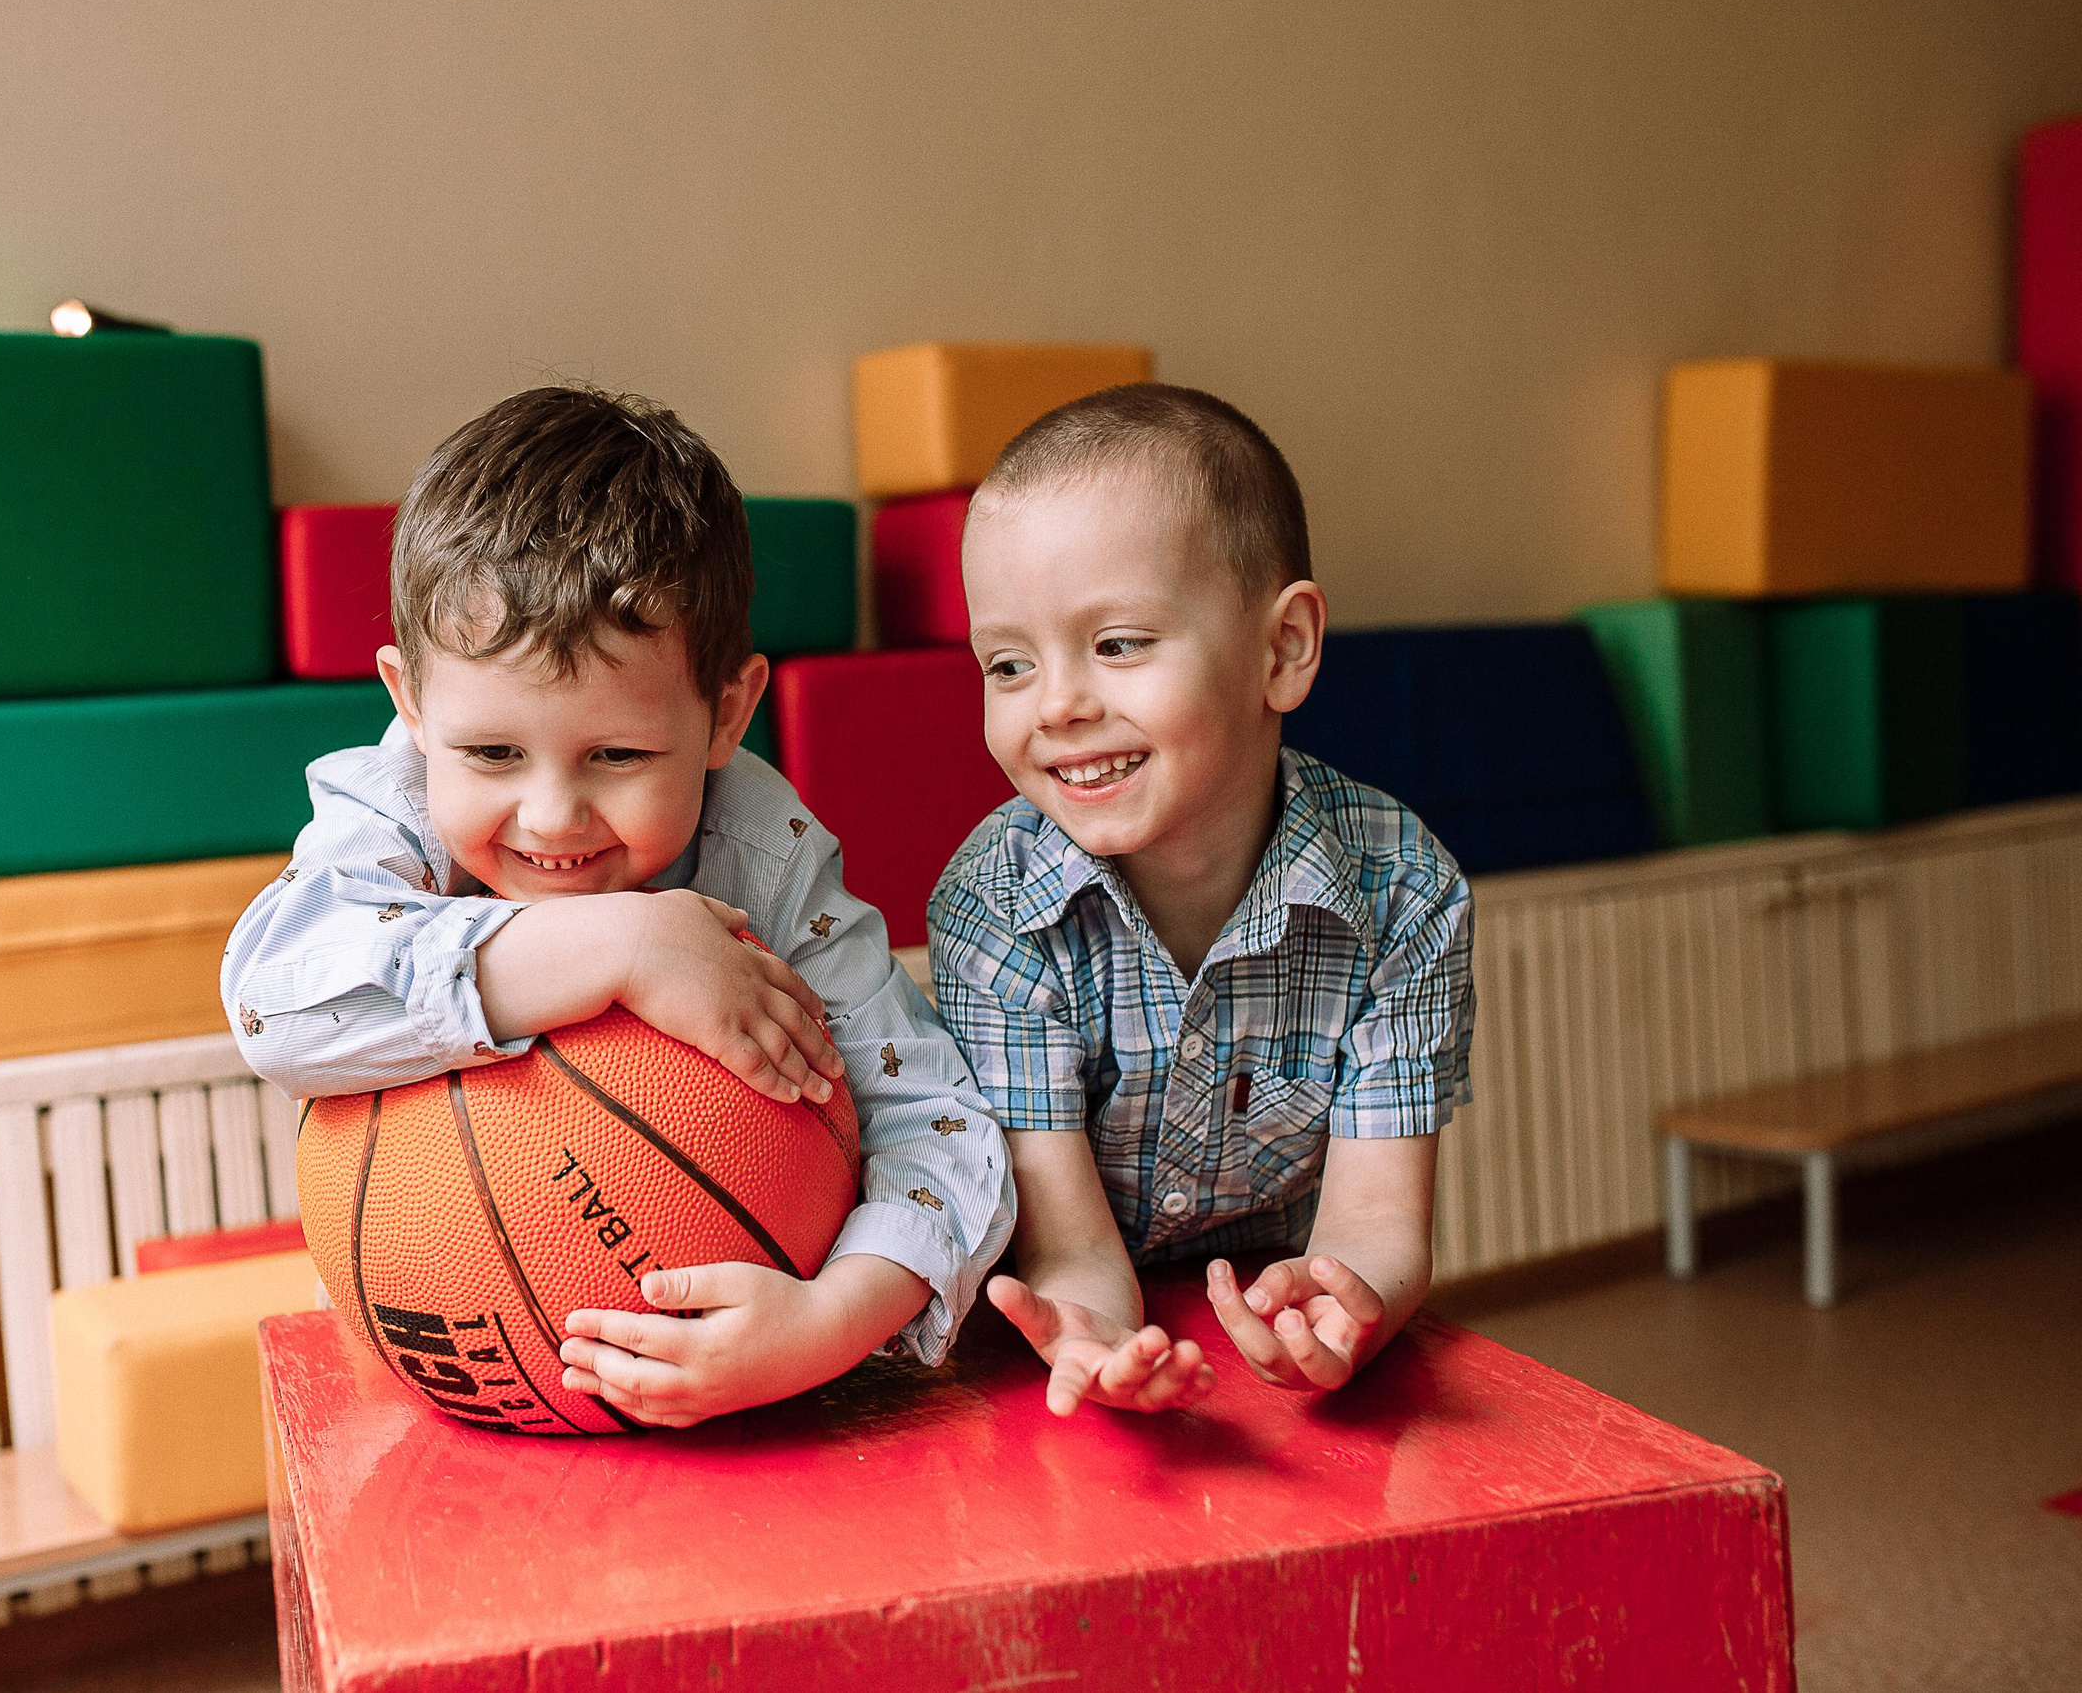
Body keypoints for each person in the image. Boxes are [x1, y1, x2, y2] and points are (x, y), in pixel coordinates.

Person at [223, 385, 1013, 1428]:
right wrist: (621, 942)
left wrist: (827, 1318)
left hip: (744, 1414)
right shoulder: (395, 804)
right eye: (492, 752)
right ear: (409, 704)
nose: (550, 816)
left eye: (619, 754)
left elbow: (943, 1122)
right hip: (448, 1375)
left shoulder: (762, 860)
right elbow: (271, 1006)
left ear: (727, 711)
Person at [928, 383, 1473, 1417]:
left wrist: (1344, 1300)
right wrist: (1093, 1334)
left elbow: (1376, 1218)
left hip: (1271, 1319)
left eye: (1119, 643)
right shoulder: (990, 905)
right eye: (1007, 662)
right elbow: (1068, 1240)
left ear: (1282, 649)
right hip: (1049, 1344)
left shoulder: (1403, 888)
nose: (1057, 705)